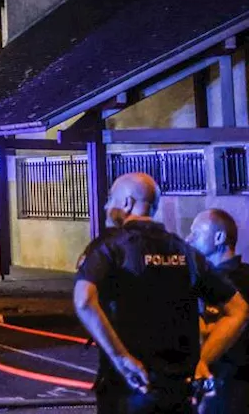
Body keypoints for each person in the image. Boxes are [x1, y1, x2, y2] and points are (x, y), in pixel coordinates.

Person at [74, 173, 249, 413]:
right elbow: (238, 310)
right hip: (179, 391)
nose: (106, 206)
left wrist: (120, 357)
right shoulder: (185, 251)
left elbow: (84, 300)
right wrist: (203, 360)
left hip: (129, 387)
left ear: (127, 202)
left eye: (111, 198)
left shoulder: (111, 247)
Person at [187, 208, 249, 413]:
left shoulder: (231, 285)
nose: (189, 239)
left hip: (227, 387)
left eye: (196, 233)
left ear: (219, 237)